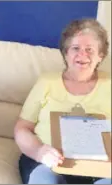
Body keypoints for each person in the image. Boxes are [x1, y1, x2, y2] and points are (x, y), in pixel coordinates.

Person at [14, 18, 111, 184]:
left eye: (90, 49)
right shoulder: (46, 82)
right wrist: (39, 151)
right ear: (66, 53)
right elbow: (22, 128)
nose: (82, 54)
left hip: (98, 167)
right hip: (46, 163)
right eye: (75, 48)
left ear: (100, 56)